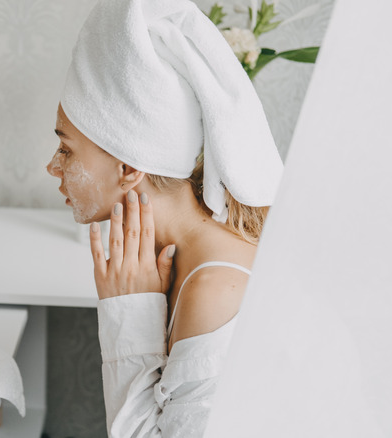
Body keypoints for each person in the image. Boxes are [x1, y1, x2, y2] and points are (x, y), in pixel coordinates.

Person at [46, 0, 283, 436]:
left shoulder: (214, 291)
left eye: (66, 149)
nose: (53, 167)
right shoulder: (183, 255)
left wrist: (130, 317)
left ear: (130, 168)